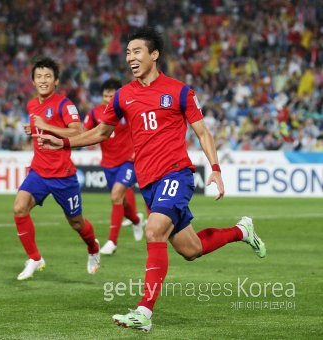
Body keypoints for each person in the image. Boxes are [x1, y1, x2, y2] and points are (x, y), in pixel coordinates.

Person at [36, 27, 266, 332]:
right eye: (128, 53)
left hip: (177, 174)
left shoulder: (180, 91)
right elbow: (99, 133)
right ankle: (241, 230)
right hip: (148, 182)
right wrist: (64, 143)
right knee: (190, 249)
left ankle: (144, 312)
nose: (131, 58)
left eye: (137, 51)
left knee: (154, 230)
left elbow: (202, 132)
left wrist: (215, 168)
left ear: (154, 54)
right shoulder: (123, 96)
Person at [13, 57, 100, 280]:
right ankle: (35, 258)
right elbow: (39, 129)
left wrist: (44, 126)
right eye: (39, 76)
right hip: (39, 171)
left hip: (63, 175)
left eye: (48, 76)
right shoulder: (32, 105)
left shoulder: (64, 104)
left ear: (56, 81)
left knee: (76, 222)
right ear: (33, 81)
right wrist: (32, 128)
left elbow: (78, 132)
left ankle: (93, 247)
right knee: (19, 207)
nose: (43, 80)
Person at [83, 78, 145, 255]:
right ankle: (136, 220)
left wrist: (138, 150)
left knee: (116, 194)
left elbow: (141, 128)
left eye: (112, 95)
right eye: (105, 95)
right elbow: (84, 131)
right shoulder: (95, 113)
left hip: (128, 161)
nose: (108, 98)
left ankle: (112, 242)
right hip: (108, 164)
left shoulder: (127, 110)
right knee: (122, 201)